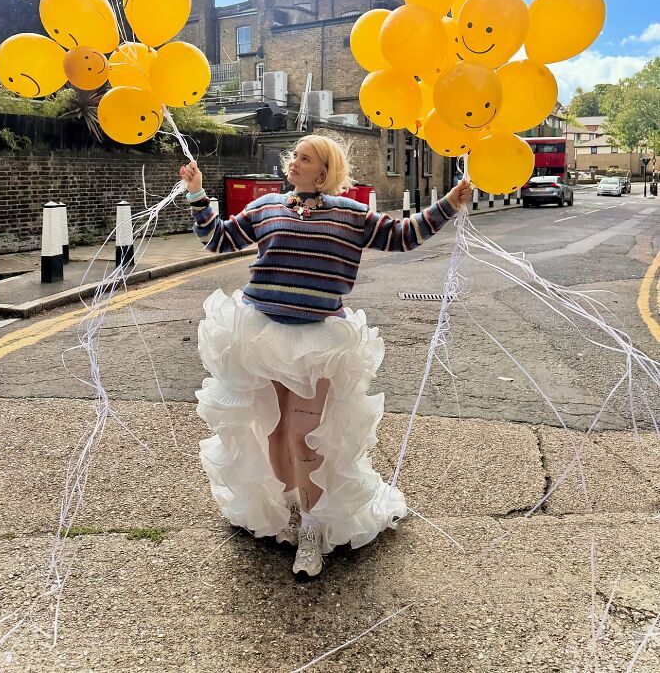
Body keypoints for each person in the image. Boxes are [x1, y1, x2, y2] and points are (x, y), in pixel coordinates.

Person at [179, 134, 471, 578]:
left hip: (316, 341)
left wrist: (448, 202)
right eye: (293, 155)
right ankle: (293, 511)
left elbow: (405, 237)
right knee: (276, 433)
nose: (294, 162)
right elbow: (216, 240)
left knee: (303, 436)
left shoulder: (351, 214)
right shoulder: (267, 207)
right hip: (263, 334)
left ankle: (313, 531)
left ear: (325, 170)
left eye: (305, 158)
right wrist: (198, 192)